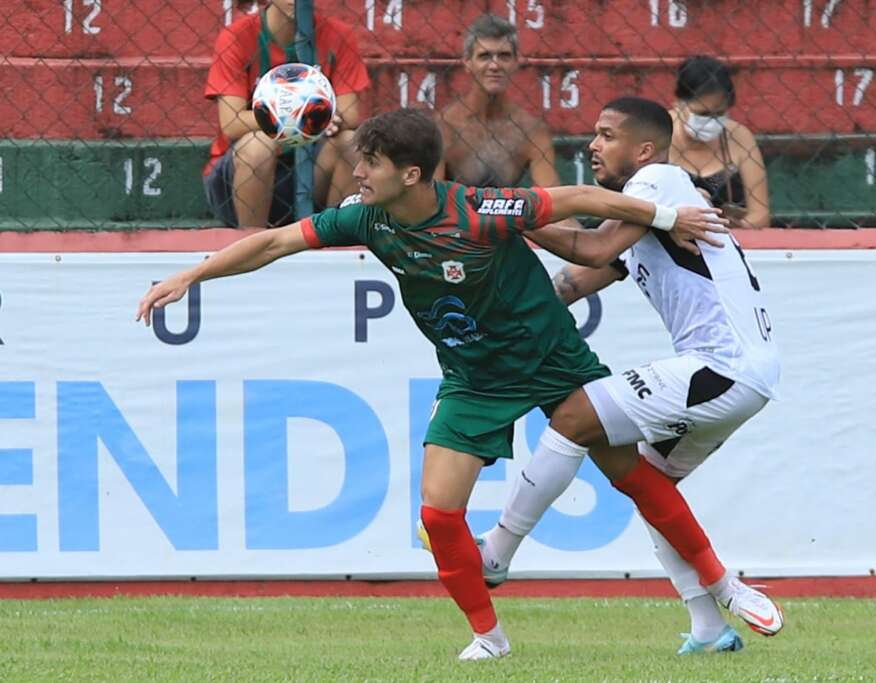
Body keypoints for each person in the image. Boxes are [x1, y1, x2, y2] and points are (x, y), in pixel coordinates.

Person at [137, 108, 733, 662]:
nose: (358, 172)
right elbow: (273, 241)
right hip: (473, 378)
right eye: (360, 161)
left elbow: (575, 196)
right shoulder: (364, 218)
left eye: (371, 163)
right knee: (439, 514)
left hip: (552, 358)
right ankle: (489, 638)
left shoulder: (480, 208)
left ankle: (725, 589)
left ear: (412, 173)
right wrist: (192, 275)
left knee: (633, 476)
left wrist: (666, 215)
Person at [476, 97, 784, 654]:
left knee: (574, 417)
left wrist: (505, 215)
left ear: (643, 150)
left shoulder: (661, 179)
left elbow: (591, 244)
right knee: (649, 486)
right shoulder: (646, 215)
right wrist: (509, 311)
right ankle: (710, 626)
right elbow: (577, 278)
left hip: (721, 366)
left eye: (606, 135)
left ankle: (495, 553)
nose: (592, 145)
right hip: (742, 374)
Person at [203, 0, 370, 227]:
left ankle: (334, 236)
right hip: (241, 178)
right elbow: (232, 123)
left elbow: (349, 115)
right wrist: (303, 114)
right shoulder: (237, 36)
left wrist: (322, 118)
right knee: (259, 144)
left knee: (351, 142)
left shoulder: (338, 35)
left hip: (314, 169)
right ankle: (252, 244)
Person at [436, 15, 561, 188]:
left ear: (516, 62)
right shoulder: (444, 128)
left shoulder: (532, 131)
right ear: (467, 63)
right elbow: (430, 203)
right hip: (457, 214)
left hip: (509, 214)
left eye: (504, 56)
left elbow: (552, 200)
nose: (495, 66)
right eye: (484, 56)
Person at [670, 55, 770, 229]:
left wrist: (726, 228)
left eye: (719, 114)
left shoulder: (738, 136)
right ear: (679, 104)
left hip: (727, 239)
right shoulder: (659, 132)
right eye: (702, 114)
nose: (711, 122)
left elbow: (760, 215)